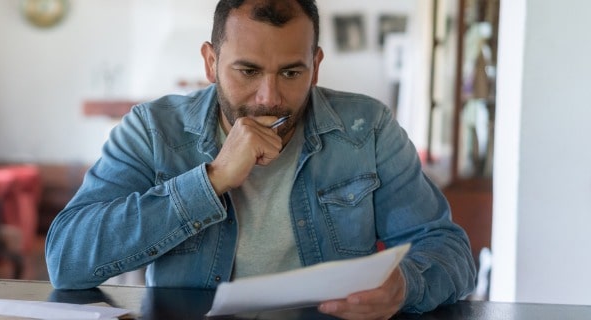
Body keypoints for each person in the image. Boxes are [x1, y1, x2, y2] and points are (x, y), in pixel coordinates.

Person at [45, 0, 476, 318]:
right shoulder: (154, 129)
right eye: (247, 71)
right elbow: (66, 261)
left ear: (316, 64)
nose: (269, 98)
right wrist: (210, 181)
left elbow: (449, 249)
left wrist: (406, 286)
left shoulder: (367, 127)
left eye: (291, 72)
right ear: (211, 62)